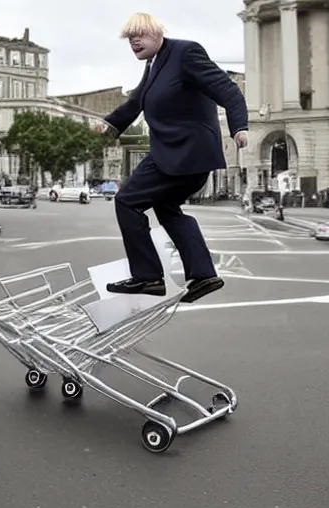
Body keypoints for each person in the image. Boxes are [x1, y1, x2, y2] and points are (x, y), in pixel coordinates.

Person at [101, 13, 249, 303]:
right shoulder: (154, 65)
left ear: (158, 34)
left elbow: (227, 89)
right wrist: (111, 125)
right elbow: (137, 101)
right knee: (167, 207)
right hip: (179, 155)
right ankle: (204, 275)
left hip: (185, 153)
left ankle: (148, 278)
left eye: (140, 35)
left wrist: (239, 127)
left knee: (127, 201)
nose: (134, 41)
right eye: (130, 38)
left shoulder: (185, 53)